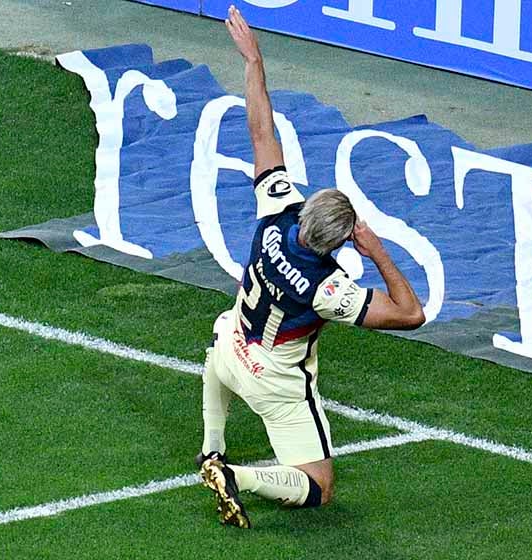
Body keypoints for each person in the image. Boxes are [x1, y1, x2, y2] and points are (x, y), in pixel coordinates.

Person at [198, 5, 425, 528]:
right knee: (320, 487)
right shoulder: (329, 287)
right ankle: (236, 474)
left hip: (232, 346)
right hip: (273, 381)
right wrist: (377, 250)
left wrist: (253, 61)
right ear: (340, 242)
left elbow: (261, 133)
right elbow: (410, 314)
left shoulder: (277, 210)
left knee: (221, 338)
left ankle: (210, 447)